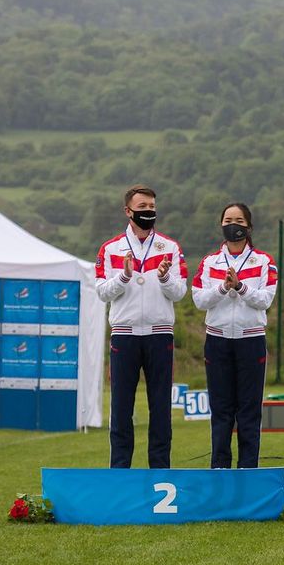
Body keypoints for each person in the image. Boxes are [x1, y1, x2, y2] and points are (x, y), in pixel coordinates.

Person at [95, 185, 187, 469]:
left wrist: (164, 279)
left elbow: (180, 292)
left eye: (151, 206)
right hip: (125, 335)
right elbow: (101, 291)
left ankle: (160, 471)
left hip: (160, 335)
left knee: (160, 408)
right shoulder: (110, 248)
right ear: (128, 211)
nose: (148, 211)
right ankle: (120, 471)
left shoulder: (170, 247)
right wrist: (123, 277)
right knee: (121, 407)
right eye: (142, 206)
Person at [192, 203, 278, 468]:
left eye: (239, 220)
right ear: (221, 225)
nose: (233, 224)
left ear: (249, 227)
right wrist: (222, 288)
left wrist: (240, 287)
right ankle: (219, 469)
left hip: (250, 341)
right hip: (217, 341)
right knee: (221, 410)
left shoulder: (264, 261)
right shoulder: (209, 262)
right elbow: (198, 299)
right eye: (228, 219)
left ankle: (248, 470)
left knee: (249, 411)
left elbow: (265, 300)